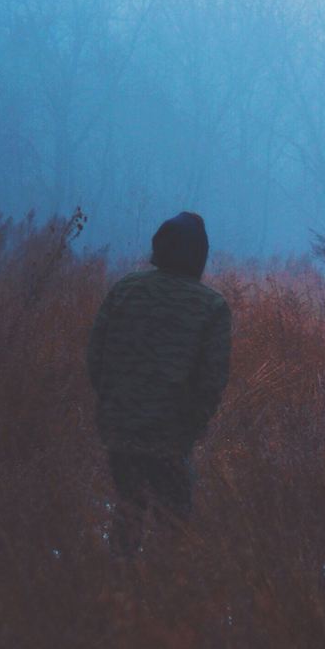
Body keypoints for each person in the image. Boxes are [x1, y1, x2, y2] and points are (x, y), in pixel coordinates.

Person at [87, 212, 231, 553]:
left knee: (127, 512)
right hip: (171, 436)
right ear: (199, 254)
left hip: (119, 426)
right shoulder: (211, 306)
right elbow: (212, 380)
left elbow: (96, 356)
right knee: (175, 523)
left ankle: (117, 591)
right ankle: (162, 597)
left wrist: (115, 404)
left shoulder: (125, 289)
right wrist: (192, 426)